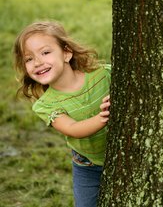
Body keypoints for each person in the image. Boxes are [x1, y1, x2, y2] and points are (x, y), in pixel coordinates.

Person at [13, 21, 111, 207]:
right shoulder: (46, 105)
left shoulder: (102, 75)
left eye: (45, 52)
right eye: (29, 59)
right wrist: (103, 117)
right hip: (88, 166)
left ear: (66, 53)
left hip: (124, 152)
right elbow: (72, 128)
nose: (38, 62)